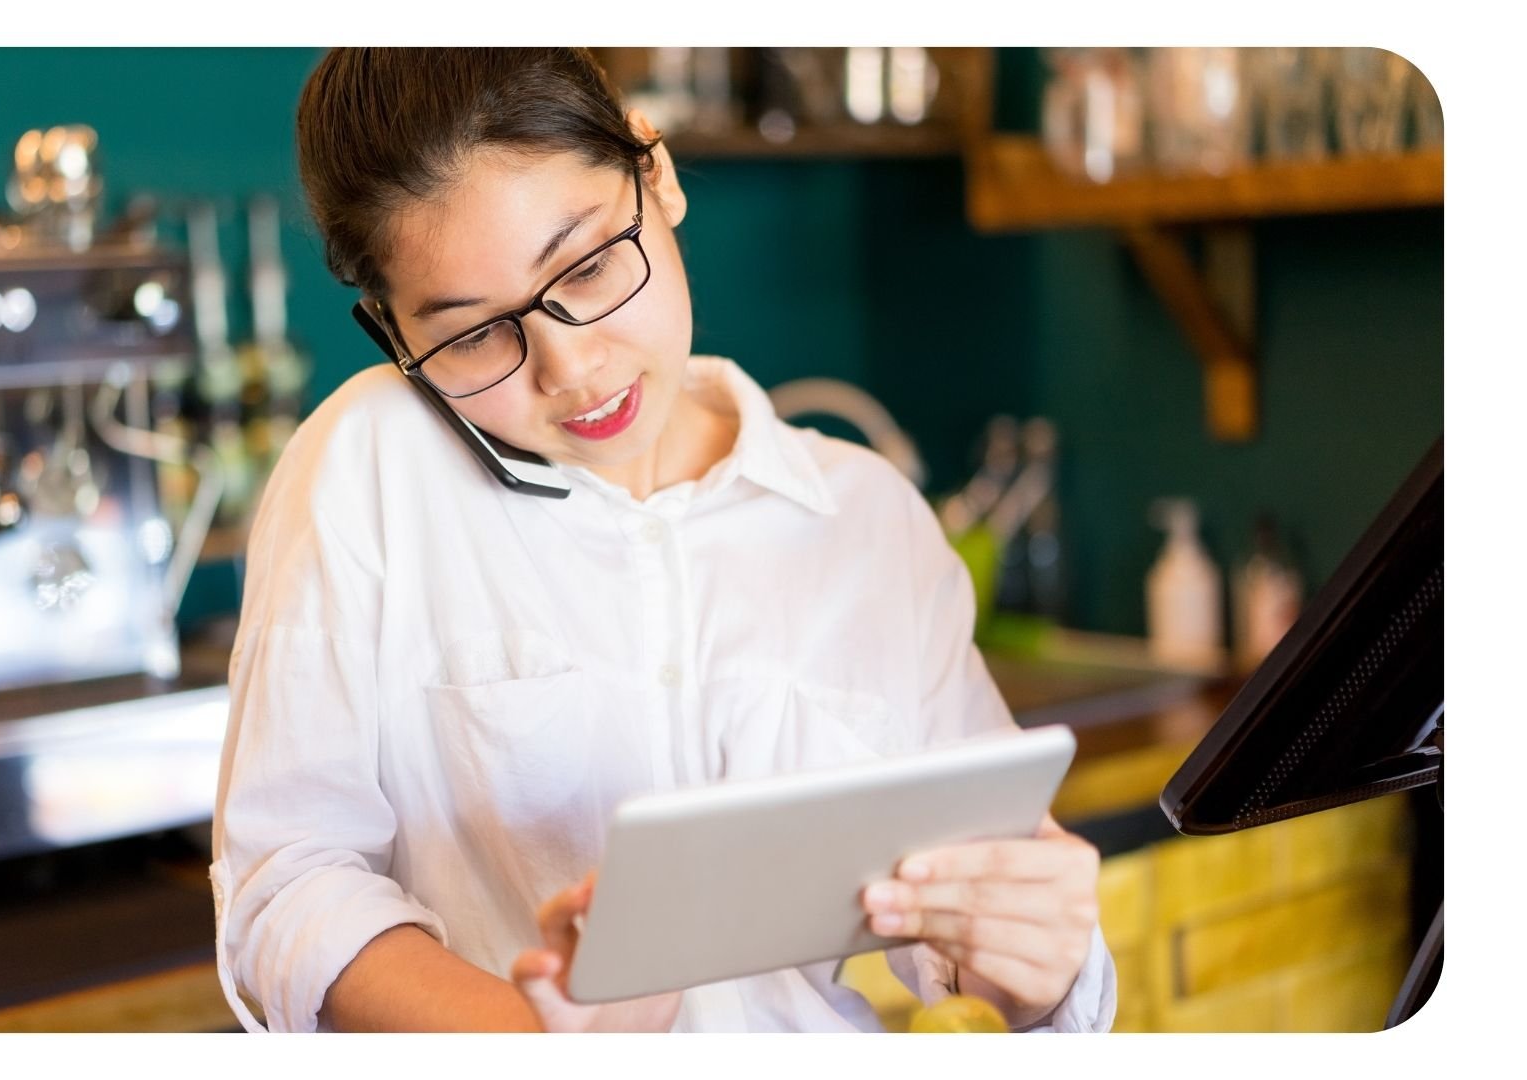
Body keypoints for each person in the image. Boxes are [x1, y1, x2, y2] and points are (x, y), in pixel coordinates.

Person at [211, 47, 1116, 1033]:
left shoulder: (864, 519)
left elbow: (978, 899)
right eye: (472, 335)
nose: (570, 367)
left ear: (657, 172)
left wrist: (1045, 968)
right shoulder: (369, 467)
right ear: (392, 329)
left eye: (591, 266)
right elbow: (287, 880)